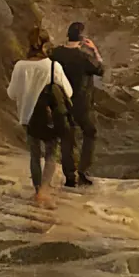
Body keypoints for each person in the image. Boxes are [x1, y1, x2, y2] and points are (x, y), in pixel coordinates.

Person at [7, 27, 74, 204]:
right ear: (45, 45)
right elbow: (69, 91)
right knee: (51, 154)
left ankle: (37, 190)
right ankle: (44, 190)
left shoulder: (20, 66)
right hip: (51, 118)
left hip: (28, 118)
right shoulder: (53, 66)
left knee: (34, 155)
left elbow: (11, 93)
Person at [50, 22, 104, 185]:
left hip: (61, 101)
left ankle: (69, 176)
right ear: (83, 39)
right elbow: (100, 69)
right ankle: (83, 169)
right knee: (90, 132)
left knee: (67, 137)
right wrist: (95, 51)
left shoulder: (56, 53)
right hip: (81, 103)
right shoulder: (83, 57)